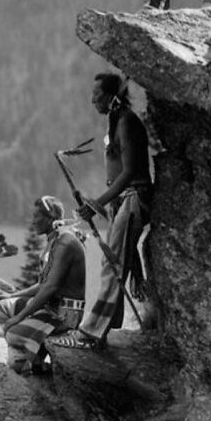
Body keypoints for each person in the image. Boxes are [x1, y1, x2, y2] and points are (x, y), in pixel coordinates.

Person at [52, 72, 152, 349]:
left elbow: (131, 171)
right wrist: (103, 203)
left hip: (134, 197)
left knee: (112, 262)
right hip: (124, 200)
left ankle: (92, 332)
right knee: (116, 259)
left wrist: (96, 205)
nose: (92, 99)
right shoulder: (117, 121)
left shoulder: (127, 122)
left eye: (97, 95)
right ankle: (106, 326)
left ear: (112, 96)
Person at [0, 195, 86, 374]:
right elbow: (42, 284)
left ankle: (23, 363)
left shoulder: (65, 243)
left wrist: (19, 318)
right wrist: (12, 296)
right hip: (52, 308)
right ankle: (32, 358)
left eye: (36, 216)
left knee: (13, 332)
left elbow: (50, 288)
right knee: (4, 307)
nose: (33, 221)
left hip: (64, 315)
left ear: (50, 217)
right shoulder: (55, 240)